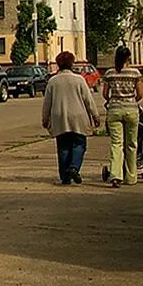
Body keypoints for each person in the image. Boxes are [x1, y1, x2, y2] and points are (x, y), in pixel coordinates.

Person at [42, 51, 101, 185]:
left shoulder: (52, 81)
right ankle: (74, 167)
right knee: (79, 144)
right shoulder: (79, 79)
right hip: (78, 117)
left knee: (63, 147)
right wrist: (95, 116)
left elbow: (47, 103)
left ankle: (65, 176)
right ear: (71, 63)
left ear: (58, 64)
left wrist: (45, 119)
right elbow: (88, 100)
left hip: (59, 117)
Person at [102, 45, 143, 187]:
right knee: (131, 144)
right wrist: (131, 101)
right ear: (129, 57)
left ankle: (116, 175)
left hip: (114, 111)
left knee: (116, 144)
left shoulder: (110, 73)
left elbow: (105, 94)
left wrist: (114, 100)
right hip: (131, 110)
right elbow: (140, 94)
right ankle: (131, 177)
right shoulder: (135, 73)